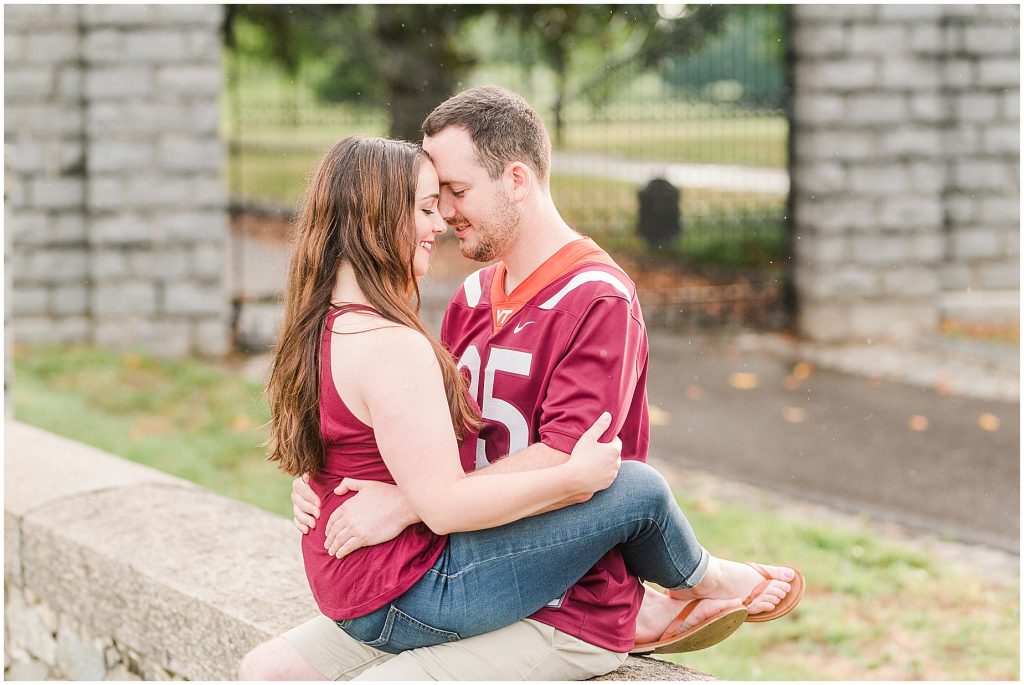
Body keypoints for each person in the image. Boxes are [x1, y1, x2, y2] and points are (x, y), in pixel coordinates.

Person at [239, 87, 803, 681]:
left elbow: (578, 463)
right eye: (432, 200)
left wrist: (405, 505)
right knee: (268, 671)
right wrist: (325, 477)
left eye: (455, 192)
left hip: (560, 605)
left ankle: (664, 598)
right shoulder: (470, 298)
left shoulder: (597, 298)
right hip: (460, 571)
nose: (444, 215)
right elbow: (422, 431)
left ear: (515, 180)